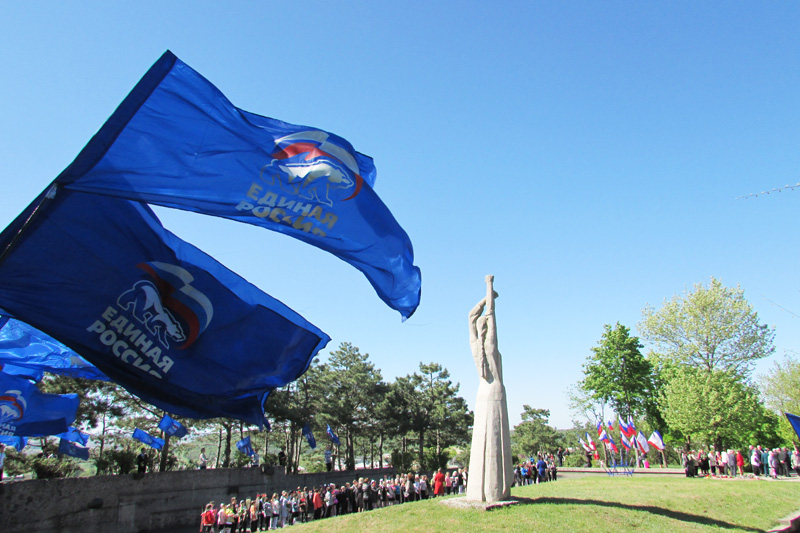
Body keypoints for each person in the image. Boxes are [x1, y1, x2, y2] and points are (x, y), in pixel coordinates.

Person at [466, 276, 512, 502]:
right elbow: (491, 316)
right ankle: (494, 492)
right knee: (494, 446)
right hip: (494, 393)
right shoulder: (489, 345)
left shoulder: (474, 344)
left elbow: (471, 316)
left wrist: (485, 299)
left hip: (481, 393)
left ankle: (481, 493)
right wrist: (489, 286)